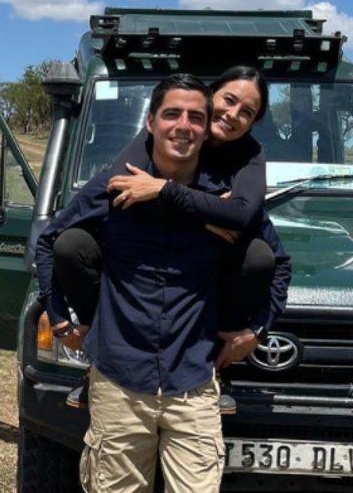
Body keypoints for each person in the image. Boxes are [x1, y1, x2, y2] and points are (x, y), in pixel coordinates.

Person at [35, 74, 290, 493]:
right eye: (171, 114)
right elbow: (51, 241)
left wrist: (258, 328)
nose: (184, 125)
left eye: (196, 117)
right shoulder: (115, 184)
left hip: (192, 382)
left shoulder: (222, 198)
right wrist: (62, 316)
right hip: (118, 378)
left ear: (208, 130)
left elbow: (275, 259)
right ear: (150, 122)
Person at [53, 67, 274, 412]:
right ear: (209, 96)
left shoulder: (249, 155)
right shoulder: (161, 136)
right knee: (71, 244)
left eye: (247, 111)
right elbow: (124, 185)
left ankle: (215, 366)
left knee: (257, 255)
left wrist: (259, 328)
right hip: (135, 285)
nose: (233, 114)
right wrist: (207, 214)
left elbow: (243, 216)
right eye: (229, 100)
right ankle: (100, 354)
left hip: (202, 302)